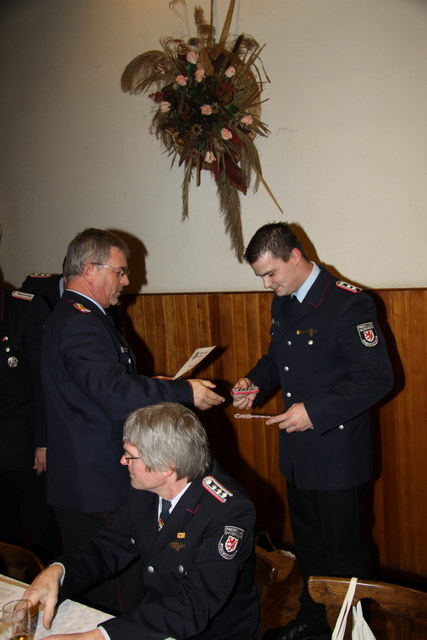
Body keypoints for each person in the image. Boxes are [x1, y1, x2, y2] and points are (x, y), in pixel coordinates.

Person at [41, 228, 225, 612]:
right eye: (120, 271)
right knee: (116, 598)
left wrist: (151, 383)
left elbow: (97, 386)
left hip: (88, 475)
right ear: (90, 270)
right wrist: (183, 392)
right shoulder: (80, 321)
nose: (126, 281)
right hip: (95, 482)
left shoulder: (81, 316)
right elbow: (112, 391)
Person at [231, 222, 394, 640]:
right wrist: (254, 382)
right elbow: (277, 359)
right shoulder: (285, 301)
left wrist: (315, 412)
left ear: (296, 256)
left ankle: (351, 631)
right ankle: (313, 621)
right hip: (298, 454)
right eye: (261, 276)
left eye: (271, 273)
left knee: (345, 555)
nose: (267, 284)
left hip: (338, 456)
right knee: (309, 548)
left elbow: (377, 378)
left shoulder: (348, 303)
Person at [24, 402, 259, 640]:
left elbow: (193, 606)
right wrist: (59, 571)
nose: (122, 461)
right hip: (158, 619)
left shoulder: (229, 511)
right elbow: (112, 545)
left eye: (130, 456)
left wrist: (99, 636)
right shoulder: (147, 488)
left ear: (166, 467)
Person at [0, 285, 61, 561]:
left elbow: (44, 381)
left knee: (41, 531)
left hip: (27, 448)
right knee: (4, 538)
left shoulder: (26, 308)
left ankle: (49, 582)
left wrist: (44, 442)